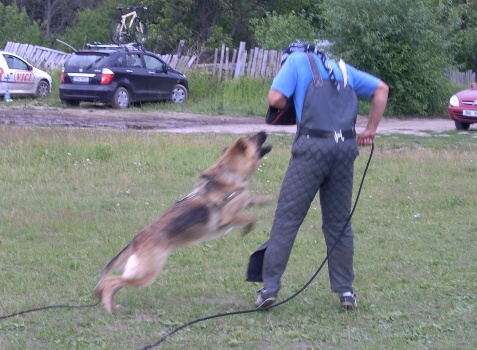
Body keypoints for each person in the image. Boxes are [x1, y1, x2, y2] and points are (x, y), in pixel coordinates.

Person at [251, 43, 389, 310]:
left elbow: (275, 98)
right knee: (338, 223)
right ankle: (346, 292)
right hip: (344, 150)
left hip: (311, 150)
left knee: (287, 219)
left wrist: (292, 103)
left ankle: (269, 288)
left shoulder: (295, 62)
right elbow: (381, 89)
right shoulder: (343, 70)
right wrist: (370, 129)